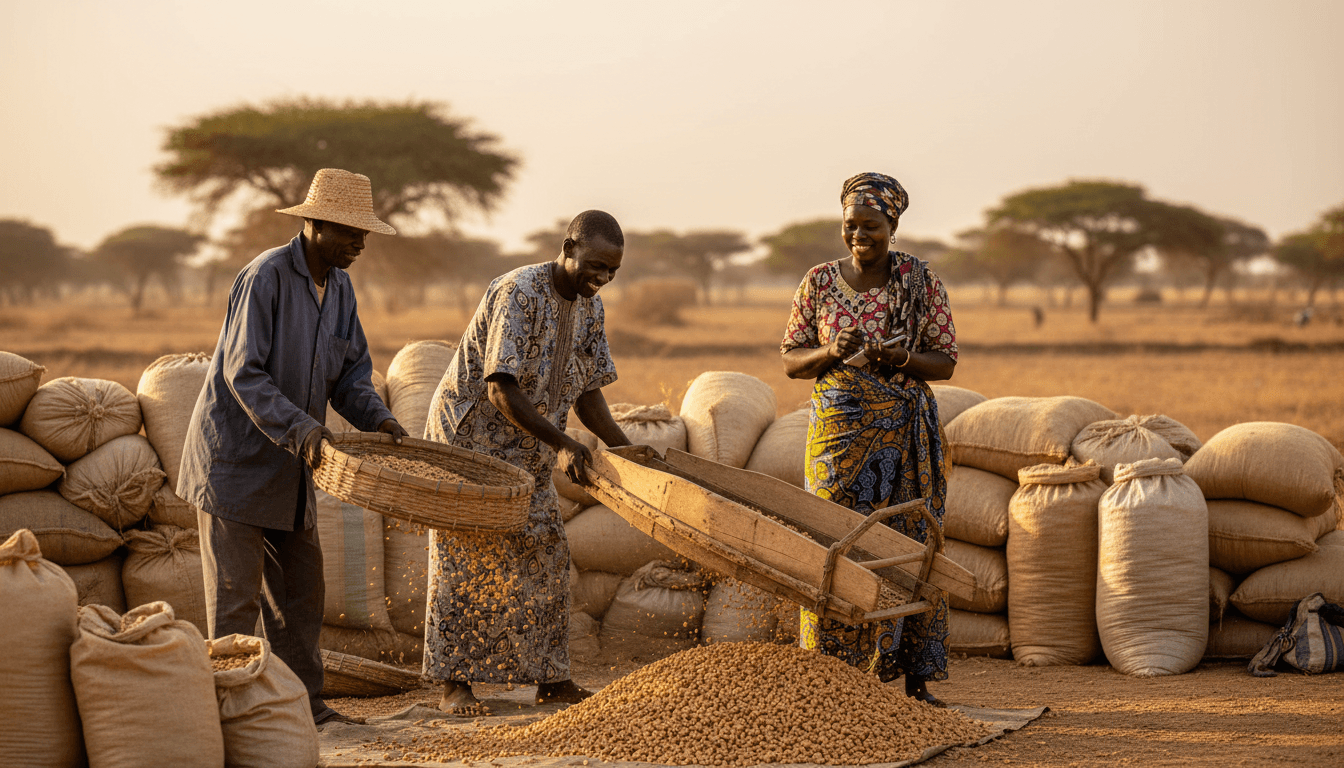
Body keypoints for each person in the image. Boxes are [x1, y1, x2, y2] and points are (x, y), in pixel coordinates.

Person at [179, 168, 410, 725]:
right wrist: (305, 430)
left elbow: (351, 376)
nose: (360, 243)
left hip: (293, 470)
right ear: (314, 224)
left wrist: (381, 421)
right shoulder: (266, 277)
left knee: (302, 594)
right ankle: (230, 715)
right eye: (350, 231)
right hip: (235, 464)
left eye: (364, 233)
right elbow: (244, 373)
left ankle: (304, 706)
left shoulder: (341, 289)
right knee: (236, 601)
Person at [423, 210, 633, 715]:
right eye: (596, 265)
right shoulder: (519, 291)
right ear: (568, 248)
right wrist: (562, 444)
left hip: (528, 448)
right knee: (465, 556)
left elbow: (588, 391)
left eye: (612, 270)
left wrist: (624, 448)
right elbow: (499, 387)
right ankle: (454, 684)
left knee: (547, 551)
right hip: (470, 443)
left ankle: (551, 679)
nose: (603, 277)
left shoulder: (590, 307)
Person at [779, 172, 957, 707]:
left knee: (909, 546)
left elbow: (945, 361)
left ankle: (913, 683)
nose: (859, 234)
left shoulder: (920, 282)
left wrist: (899, 357)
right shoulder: (817, 282)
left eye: (871, 225)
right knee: (834, 545)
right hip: (838, 439)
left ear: (892, 226)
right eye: (851, 224)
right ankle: (829, 681)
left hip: (905, 438)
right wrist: (831, 350)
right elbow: (791, 360)